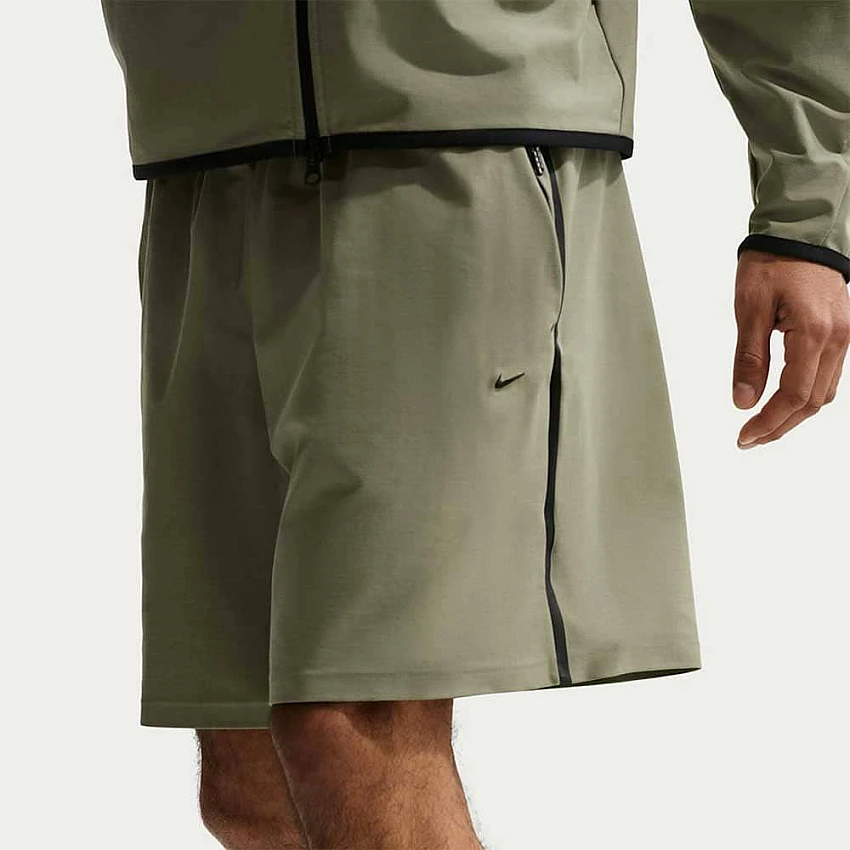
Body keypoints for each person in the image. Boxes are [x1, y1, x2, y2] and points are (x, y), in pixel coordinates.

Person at [100, 1, 850, 847]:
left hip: (458, 136)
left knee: (353, 722)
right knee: (248, 785)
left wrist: (809, 210)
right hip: (200, 149)